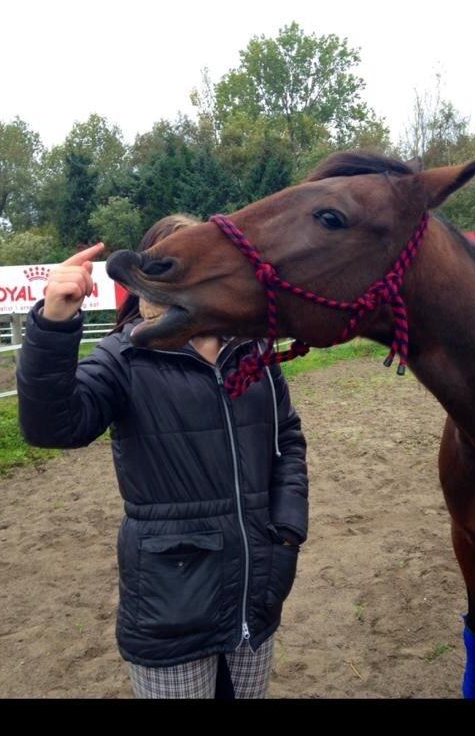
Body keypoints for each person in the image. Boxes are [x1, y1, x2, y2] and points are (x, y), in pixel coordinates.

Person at [16, 214, 308, 699]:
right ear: (149, 275)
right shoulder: (123, 358)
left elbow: (288, 439)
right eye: (174, 263)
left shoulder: (253, 351)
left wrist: (288, 533)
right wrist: (53, 325)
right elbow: (53, 428)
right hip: (170, 607)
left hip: (256, 590)